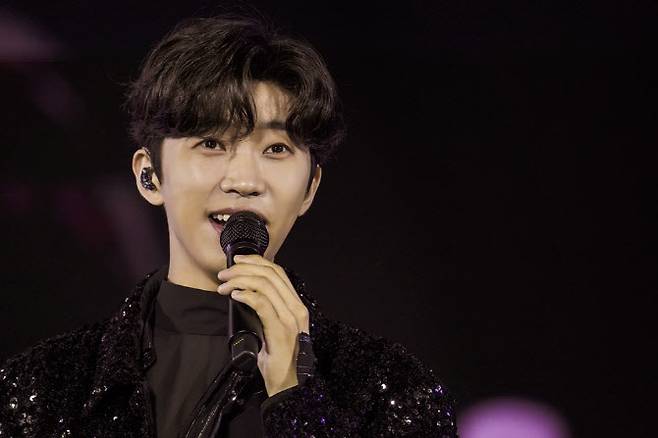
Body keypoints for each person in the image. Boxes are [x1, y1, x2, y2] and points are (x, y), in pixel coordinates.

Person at [0, 12, 458, 438]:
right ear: (149, 175)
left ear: (310, 188)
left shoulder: (384, 387)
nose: (244, 181)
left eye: (276, 149)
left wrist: (295, 396)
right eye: (211, 143)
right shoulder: (46, 385)